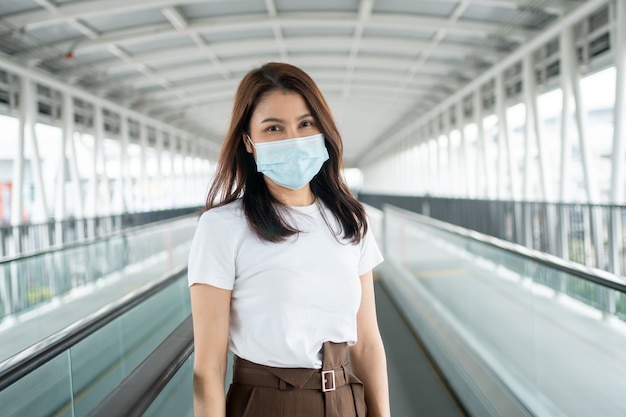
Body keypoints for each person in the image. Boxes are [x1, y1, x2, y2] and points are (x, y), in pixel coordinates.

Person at [188, 62, 390, 417]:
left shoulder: (351, 220)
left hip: (346, 401)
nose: (293, 140)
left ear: (323, 130)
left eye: (305, 124)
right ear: (249, 142)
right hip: (267, 403)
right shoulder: (221, 227)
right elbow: (208, 368)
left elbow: (368, 345)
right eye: (273, 128)